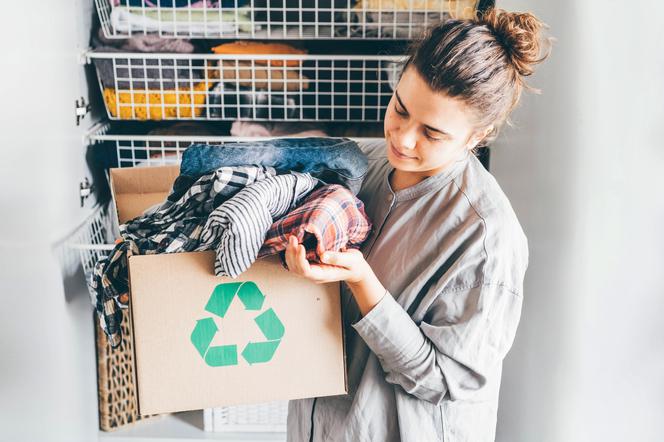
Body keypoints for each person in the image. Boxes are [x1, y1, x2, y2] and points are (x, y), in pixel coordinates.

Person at [284, 7, 551, 442]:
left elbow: (445, 381)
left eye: (432, 132)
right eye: (400, 108)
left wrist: (362, 283)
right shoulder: (364, 165)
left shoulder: (486, 238)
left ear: (477, 136)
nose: (403, 138)